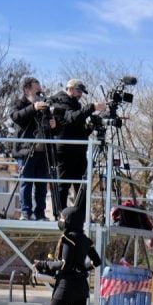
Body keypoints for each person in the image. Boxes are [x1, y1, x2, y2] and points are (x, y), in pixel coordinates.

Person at [10, 205, 101, 305]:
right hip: (81, 287)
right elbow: (97, 262)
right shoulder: (85, 239)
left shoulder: (68, 238)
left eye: (62, 218)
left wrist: (42, 264)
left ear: (69, 221)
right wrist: (81, 269)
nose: (60, 221)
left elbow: (64, 265)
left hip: (66, 287)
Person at [46, 78, 106, 214]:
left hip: (79, 151)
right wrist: (92, 107)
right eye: (78, 91)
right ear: (70, 88)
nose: (80, 95)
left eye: (81, 92)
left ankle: (80, 215)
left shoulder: (76, 105)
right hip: (65, 151)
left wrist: (91, 126)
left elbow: (78, 129)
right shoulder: (60, 102)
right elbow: (71, 118)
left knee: (82, 186)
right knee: (63, 185)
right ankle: (60, 215)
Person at [8, 76, 54, 221]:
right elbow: (16, 117)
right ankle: (26, 212)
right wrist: (33, 108)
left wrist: (53, 123)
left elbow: (48, 123)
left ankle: (40, 213)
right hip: (25, 151)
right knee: (26, 183)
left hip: (42, 151)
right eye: (36, 90)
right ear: (27, 89)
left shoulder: (44, 105)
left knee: (41, 185)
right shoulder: (18, 103)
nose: (39, 93)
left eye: (40, 90)